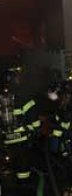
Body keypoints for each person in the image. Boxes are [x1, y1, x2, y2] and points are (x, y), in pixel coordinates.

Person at [0, 67, 41, 195]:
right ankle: (25, 188)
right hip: (22, 138)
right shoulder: (23, 95)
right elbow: (33, 115)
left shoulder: (2, 97)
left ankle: (15, 187)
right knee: (24, 166)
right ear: (13, 79)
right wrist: (35, 130)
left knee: (14, 165)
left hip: (7, 140)